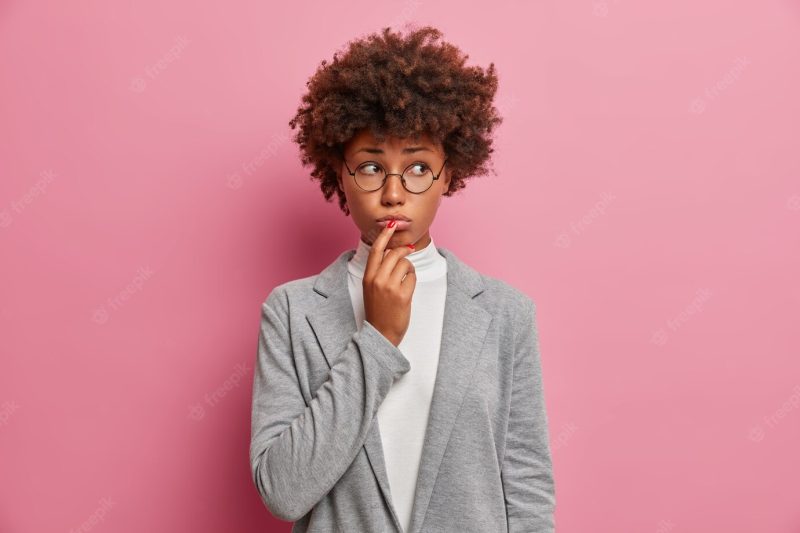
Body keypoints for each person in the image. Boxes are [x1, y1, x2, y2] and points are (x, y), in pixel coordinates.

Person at [249, 25, 556, 533]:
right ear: (340, 175)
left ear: (450, 175)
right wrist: (377, 339)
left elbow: (526, 487)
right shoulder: (292, 311)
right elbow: (283, 491)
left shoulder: (506, 313)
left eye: (417, 168)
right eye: (371, 167)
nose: (393, 194)